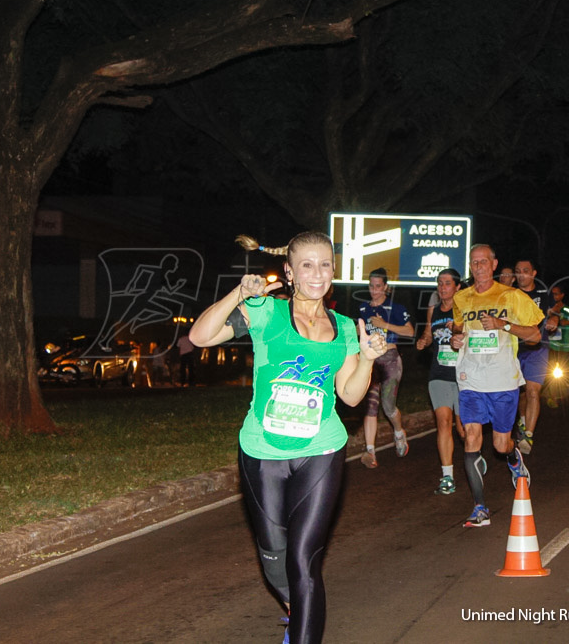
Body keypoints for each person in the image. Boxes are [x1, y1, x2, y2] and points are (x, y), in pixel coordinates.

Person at [188, 232, 387, 644]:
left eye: (325, 265)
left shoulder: (347, 327)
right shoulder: (264, 312)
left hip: (322, 449)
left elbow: (350, 395)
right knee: (273, 554)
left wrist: (367, 359)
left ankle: (302, 631)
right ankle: (299, 610)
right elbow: (200, 337)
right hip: (263, 450)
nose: (318, 273)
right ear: (290, 272)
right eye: (308, 265)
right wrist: (237, 294)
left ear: (334, 270)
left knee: (304, 561)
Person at [450, 244, 542, 528]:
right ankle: (479, 507)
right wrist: (456, 340)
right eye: (474, 263)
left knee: (501, 445)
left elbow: (536, 336)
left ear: (493, 264)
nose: (478, 267)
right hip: (471, 378)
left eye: (483, 262)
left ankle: (514, 459)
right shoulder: (461, 298)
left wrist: (504, 325)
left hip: (503, 379)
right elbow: (457, 329)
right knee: (471, 437)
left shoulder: (512, 296)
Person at [356, 268, 415, 468]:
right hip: (370, 361)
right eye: (371, 286)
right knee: (370, 406)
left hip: (390, 358)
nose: (374, 290)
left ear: (386, 287)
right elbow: (360, 332)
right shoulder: (364, 308)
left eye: (378, 286)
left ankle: (399, 432)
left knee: (388, 405)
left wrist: (385, 324)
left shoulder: (395, 307)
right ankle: (369, 450)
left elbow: (409, 331)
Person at [415, 268, 464, 495]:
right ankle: (447, 476)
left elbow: (471, 336)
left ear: (457, 287)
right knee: (443, 423)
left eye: (447, 283)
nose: (442, 287)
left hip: (463, 374)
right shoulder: (433, 310)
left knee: (464, 430)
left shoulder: (463, 310)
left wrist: (457, 329)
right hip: (439, 374)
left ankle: (475, 456)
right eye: (440, 283)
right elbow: (428, 333)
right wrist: (424, 341)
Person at [513, 258, 550, 454]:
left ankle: (528, 434)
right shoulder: (510, 294)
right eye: (518, 271)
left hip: (538, 349)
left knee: (534, 390)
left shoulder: (543, 293)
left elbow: (554, 313)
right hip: (514, 349)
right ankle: (523, 421)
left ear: (533, 273)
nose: (521, 274)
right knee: (521, 392)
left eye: (525, 270)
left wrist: (554, 320)